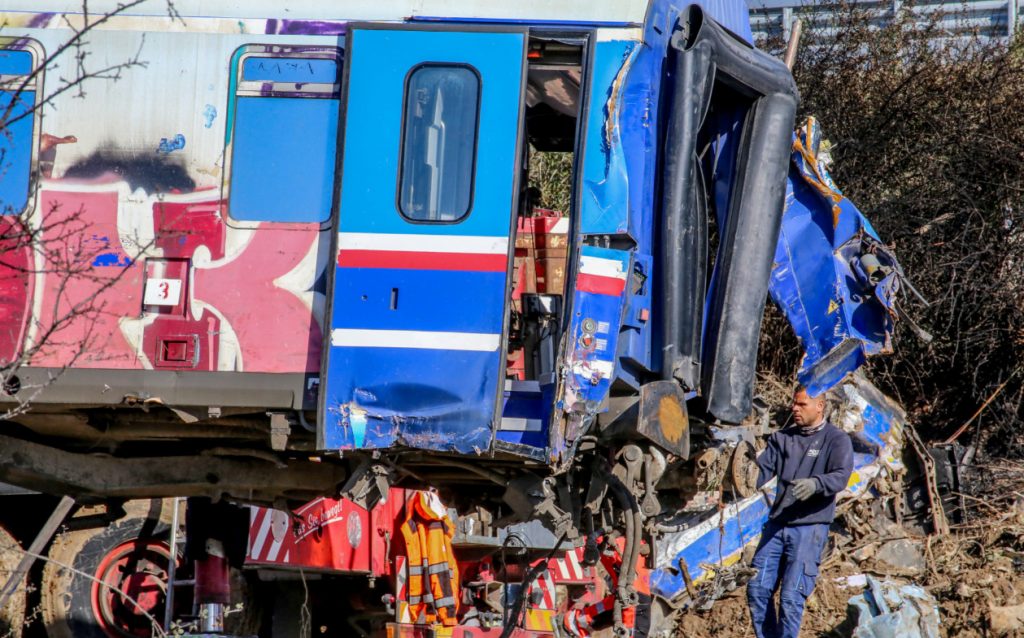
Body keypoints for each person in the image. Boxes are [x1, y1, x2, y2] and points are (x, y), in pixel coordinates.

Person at [746, 385, 854, 638]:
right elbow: (758, 475)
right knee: (757, 590)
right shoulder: (782, 438)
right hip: (777, 526)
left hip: (810, 528)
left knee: (791, 597)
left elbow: (840, 476)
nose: (794, 408)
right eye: (794, 403)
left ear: (820, 406)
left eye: (802, 404)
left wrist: (816, 484)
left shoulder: (836, 440)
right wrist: (737, 475)